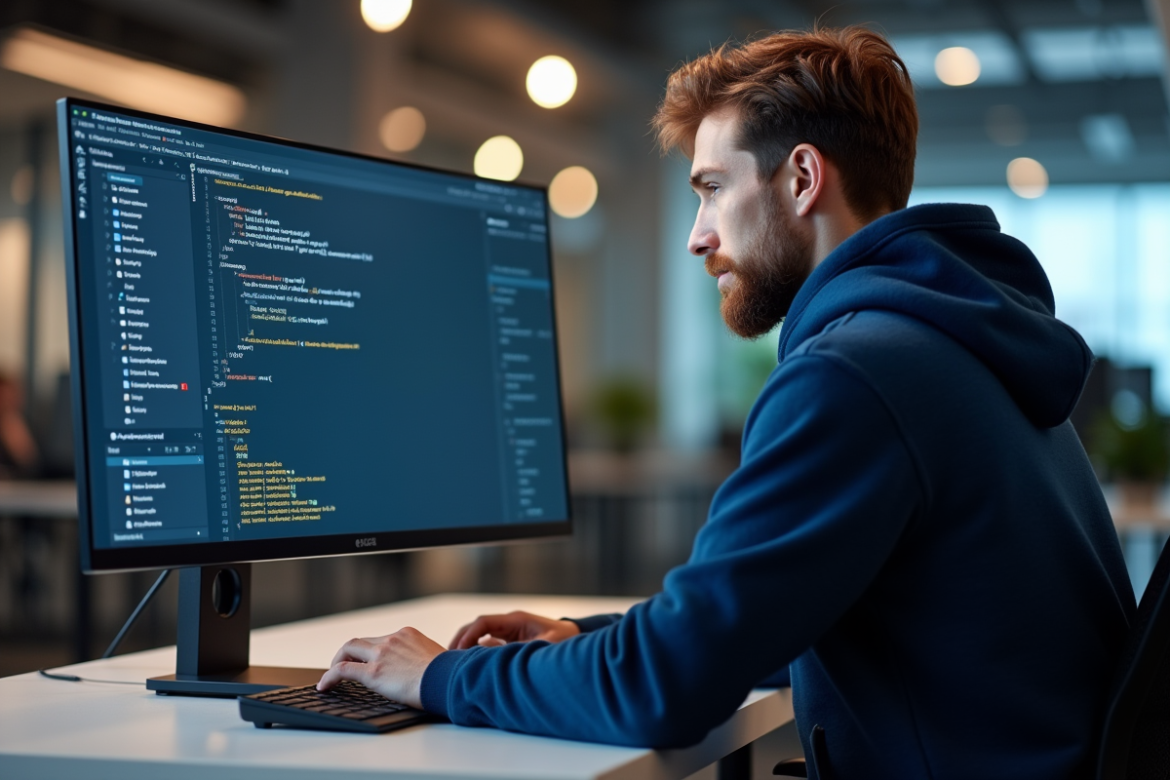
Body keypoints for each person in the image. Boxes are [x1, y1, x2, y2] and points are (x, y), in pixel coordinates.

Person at [318, 27, 1135, 778]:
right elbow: (792, 618)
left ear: (803, 179)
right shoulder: (955, 344)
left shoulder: (854, 377)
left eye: (712, 188)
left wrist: (440, 675)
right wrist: (591, 640)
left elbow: (670, 687)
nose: (697, 234)